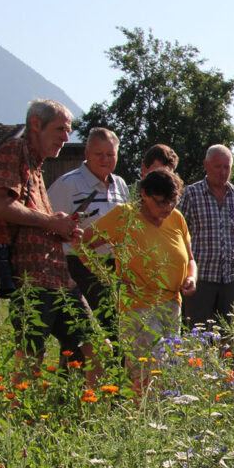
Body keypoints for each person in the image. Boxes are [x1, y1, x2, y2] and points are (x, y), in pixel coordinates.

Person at [0, 99, 95, 384]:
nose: (66, 137)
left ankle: (88, 418)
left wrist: (60, 226)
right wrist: (51, 222)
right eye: (60, 129)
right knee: (32, 354)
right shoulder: (14, 150)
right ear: (35, 124)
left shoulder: (38, 167)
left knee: (93, 350)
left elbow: (29, 216)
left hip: (58, 278)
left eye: (68, 131)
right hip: (31, 278)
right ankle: (20, 422)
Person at [81, 169, 196, 394]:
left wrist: (191, 277)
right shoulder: (124, 215)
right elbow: (84, 244)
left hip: (172, 305)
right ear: (144, 194)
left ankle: (163, 421)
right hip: (138, 307)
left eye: (173, 201)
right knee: (148, 374)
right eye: (162, 202)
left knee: (170, 370)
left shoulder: (177, 218)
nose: (168, 208)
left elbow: (190, 259)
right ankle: (144, 420)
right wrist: (110, 279)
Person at [48, 127, 130, 337]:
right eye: (99, 154)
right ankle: (76, 368)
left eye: (110, 154)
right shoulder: (68, 184)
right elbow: (49, 226)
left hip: (115, 266)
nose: (105, 159)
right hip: (80, 266)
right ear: (87, 154)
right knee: (86, 330)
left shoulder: (120, 184)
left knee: (117, 327)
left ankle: (113, 369)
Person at [176, 145, 234, 328]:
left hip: (231, 278)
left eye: (227, 167)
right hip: (202, 277)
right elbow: (177, 232)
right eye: (218, 166)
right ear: (206, 166)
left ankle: (229, 358)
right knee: (198, 331)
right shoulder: (191, 194)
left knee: (231, 331)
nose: (223, 172)